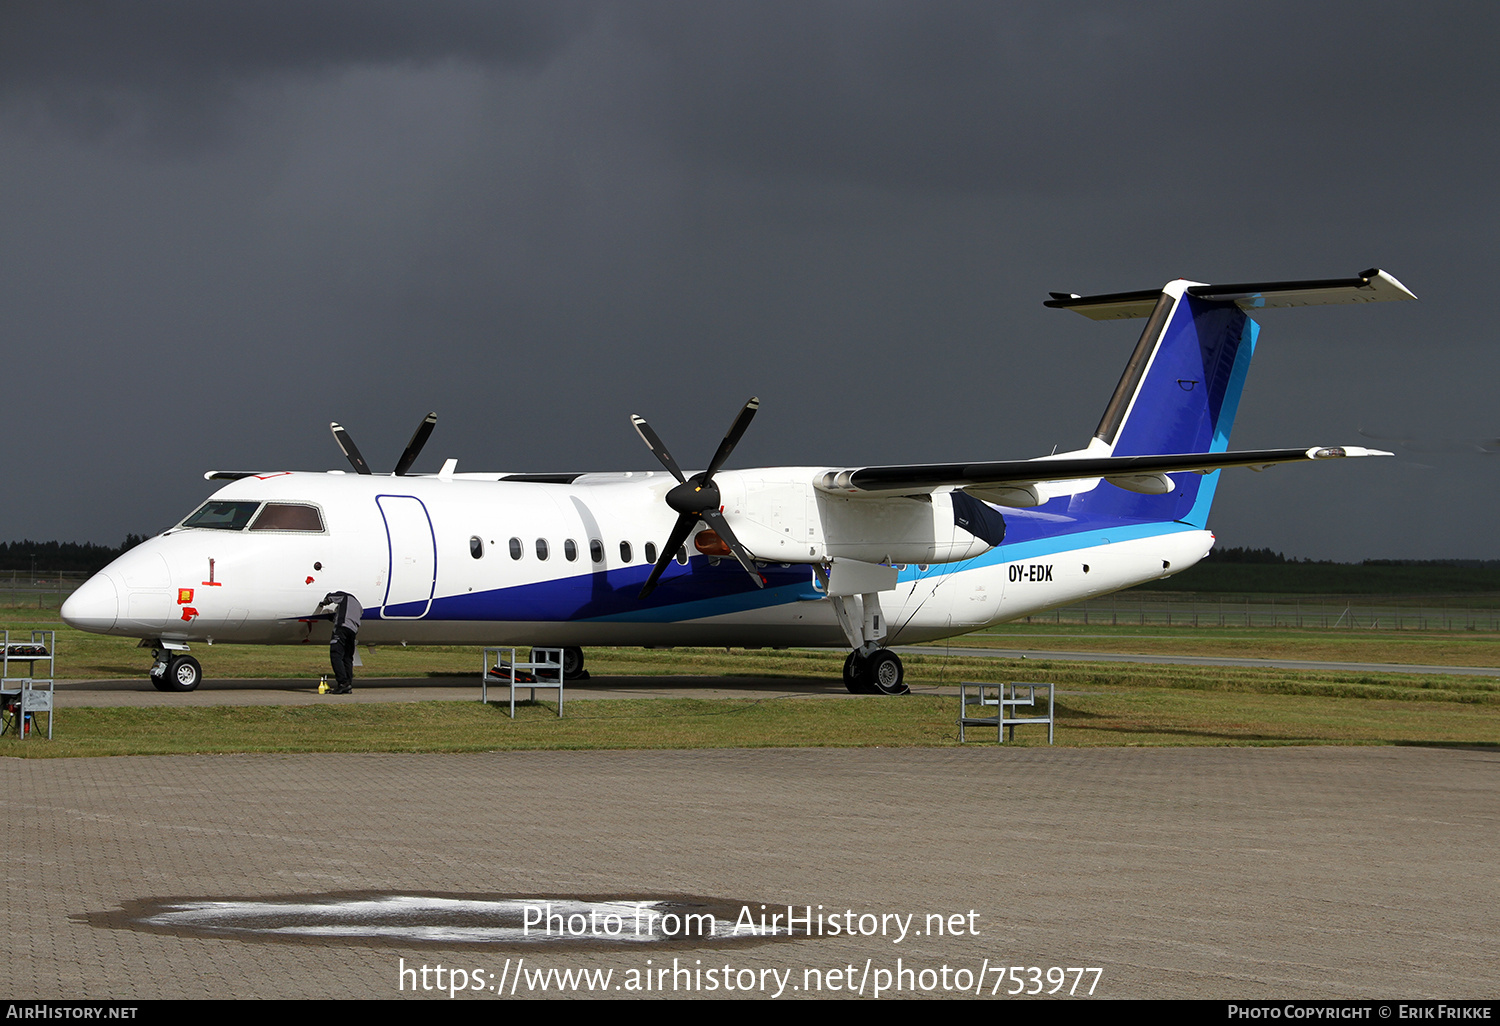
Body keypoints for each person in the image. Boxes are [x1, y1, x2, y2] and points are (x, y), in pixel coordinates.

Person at [318, 591, 362, 694]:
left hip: (341, 628)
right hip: (352, 631)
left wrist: (323, 603)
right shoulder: (358, 606)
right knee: (347, 658)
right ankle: (348, 685)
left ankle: (342, 683)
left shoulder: (344, 596)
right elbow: (345, 616)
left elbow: (330, 598)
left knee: (336, 655)